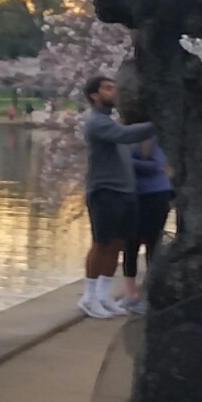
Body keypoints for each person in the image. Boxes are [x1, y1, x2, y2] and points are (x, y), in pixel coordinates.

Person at [79, 75, 155, 318]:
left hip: (124, 192)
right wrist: (159, 123)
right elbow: (126, 136)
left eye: (114, 87)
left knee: (118, 243)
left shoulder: (112, 122)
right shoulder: (97, 123)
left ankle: (103, 295)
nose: (114, 92)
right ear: (94, 95)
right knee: (101, 244)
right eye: (108, 88)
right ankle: (89, 297)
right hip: (104, 192)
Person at [119, 137, 172, 315]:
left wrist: (127, 160)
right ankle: (130, 294)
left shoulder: (153, 139)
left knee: (152, 243)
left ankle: (150, 296)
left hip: (156, 195)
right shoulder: (122, 138)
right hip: (133, 195)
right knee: (130, 243)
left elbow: (156, 165)